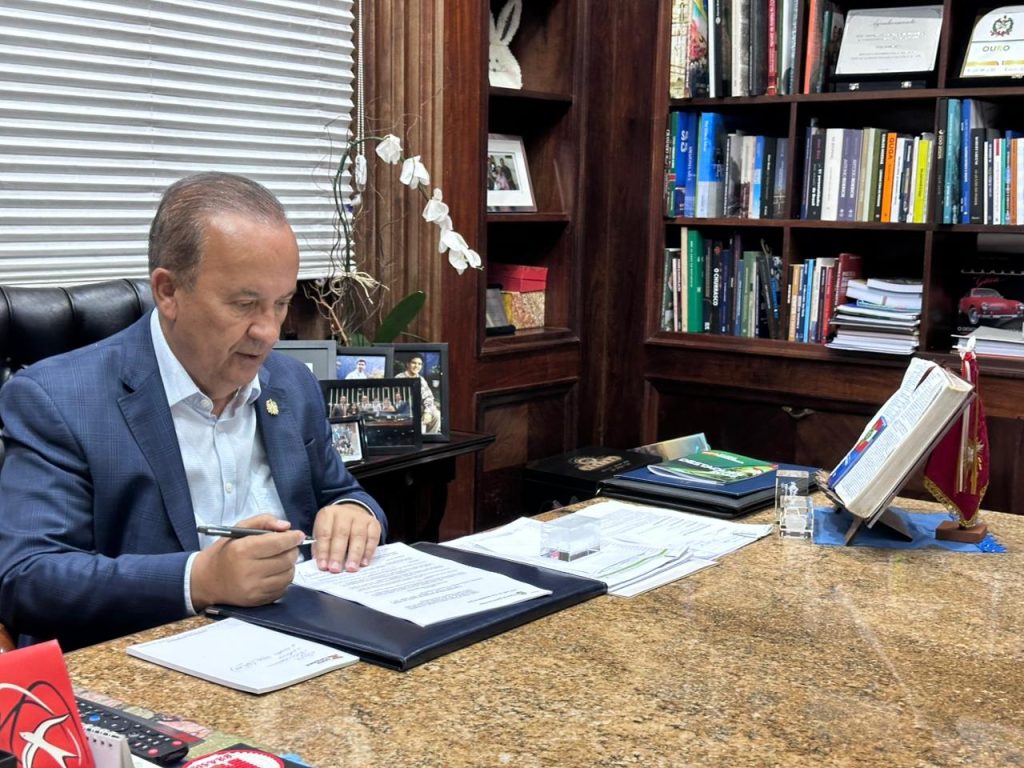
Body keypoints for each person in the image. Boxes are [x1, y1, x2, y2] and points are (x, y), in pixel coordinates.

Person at [0, 172, 387, 651]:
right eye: (244, 304)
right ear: (168, 292)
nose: (268, 331)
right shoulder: (56, 398)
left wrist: (354, 512)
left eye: (281, 304)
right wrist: (199, 578)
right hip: (142, 665)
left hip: (302, 646)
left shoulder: (291, 384)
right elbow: (29, 577)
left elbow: (341, 492)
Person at [396, 355, 441, 434]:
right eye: (414, 363)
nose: (417, 366)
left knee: (436, 415)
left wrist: (427, 411)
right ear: (408, 364)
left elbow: (428, 397)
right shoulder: (399, 378)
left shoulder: (421, 379)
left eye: (419, 364)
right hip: (404, 409)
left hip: (419, 408)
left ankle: (429, 438)